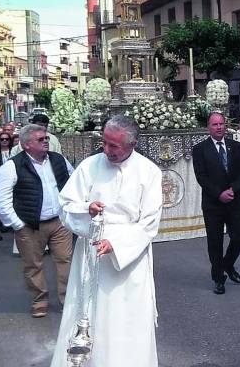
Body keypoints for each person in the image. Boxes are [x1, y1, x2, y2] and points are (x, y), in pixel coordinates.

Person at [51, 115, 161, 366]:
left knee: (126, 318)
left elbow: (149, 223)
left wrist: (117, 244)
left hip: (128, 260)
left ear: (132, 144)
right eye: (105, 143)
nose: (107, 150)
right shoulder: (89, 166)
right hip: (91, 254)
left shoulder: (149, 172)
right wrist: (86, 209)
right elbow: (65, 205)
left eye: (114, 146)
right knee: (88, 312)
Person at [0, 124, 74, 318]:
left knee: (66, 261)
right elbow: (2, 200)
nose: (46, 141)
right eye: (41, 139)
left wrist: (71, 211)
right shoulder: (13, 166)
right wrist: (18, 225)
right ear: (27, 144)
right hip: (29, 225)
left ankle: (67, 299)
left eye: (46, 138)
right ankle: (40, 300)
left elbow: (73, 182)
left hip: (59, 222)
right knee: (33, 265)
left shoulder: (58, 160)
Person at [192, 112, 240, 295]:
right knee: (215, 242)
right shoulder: (200, 149)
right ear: (208, 127)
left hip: (234, 200)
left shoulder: (236, 146)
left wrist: (233, 188)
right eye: (215, 124)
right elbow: (201, 176)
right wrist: (219, 194)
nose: (219, 127)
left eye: (221, 124)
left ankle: (228, 264)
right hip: (213, 203)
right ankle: (218, 278)